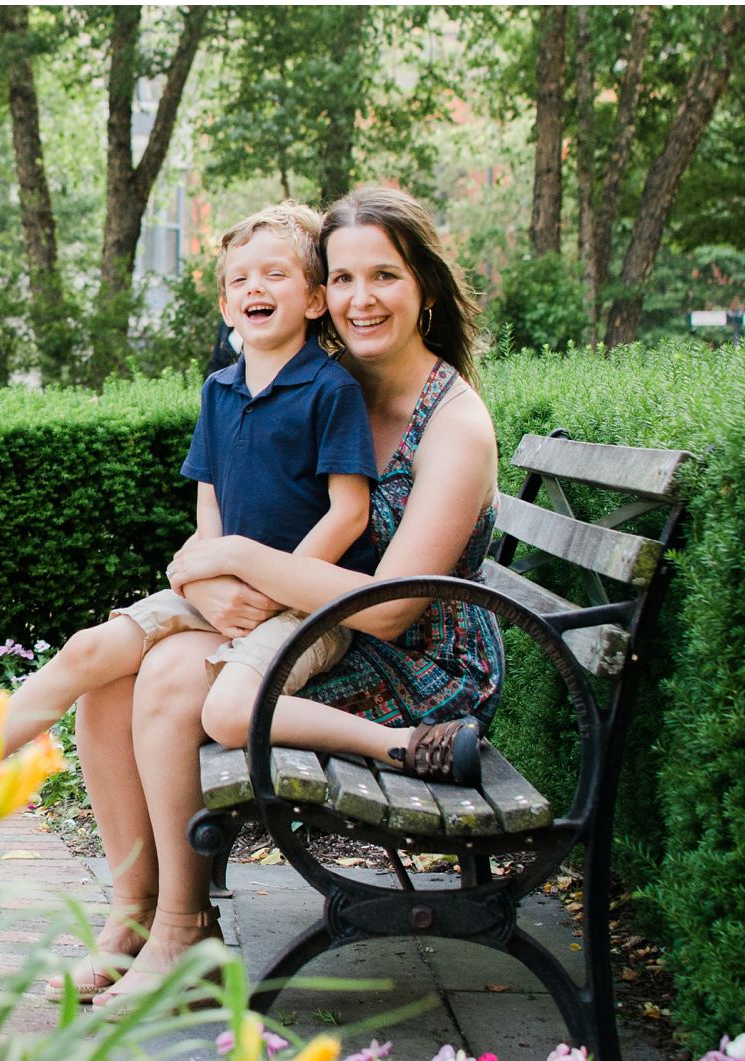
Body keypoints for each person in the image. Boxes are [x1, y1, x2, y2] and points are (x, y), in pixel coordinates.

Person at [49, 186, 504, 1010]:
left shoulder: (454, 423)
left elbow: (393, 607)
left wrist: (236, 559)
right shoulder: (328, 389)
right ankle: (137, 911)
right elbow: (229, 518)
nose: (362, 299)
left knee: (173, 680)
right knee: (113, 676)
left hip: (419, 668)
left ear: (425, 289)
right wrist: (216, 578)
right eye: (345, 277)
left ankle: (183, 930)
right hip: (320, 629)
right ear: (322, 290)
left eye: (387, 277)